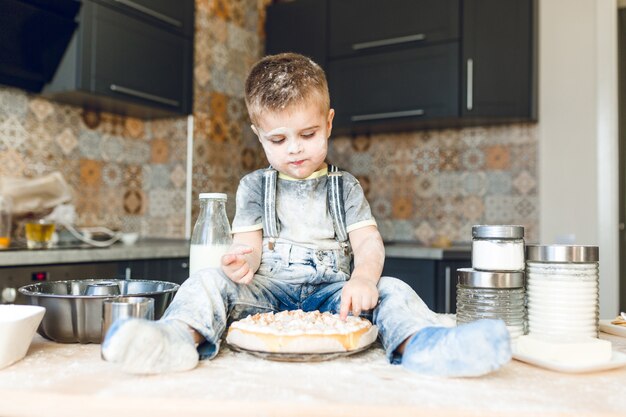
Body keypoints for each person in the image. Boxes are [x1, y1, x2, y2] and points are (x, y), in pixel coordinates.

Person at [102, 53, 511, 376]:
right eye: (278, 139)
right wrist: (240, 261)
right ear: (258, 134)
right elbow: (249, 248)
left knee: (395, 290)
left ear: (329, 124)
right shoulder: (253, 187)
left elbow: (367, 242)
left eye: (308, 134)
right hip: (265, 297)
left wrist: (363, 279)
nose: (294, 149)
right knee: (206, 281)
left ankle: (424, 346)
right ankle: (177, 340)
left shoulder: (345, 186)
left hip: (335, 298)